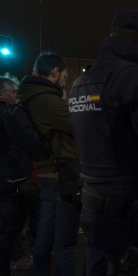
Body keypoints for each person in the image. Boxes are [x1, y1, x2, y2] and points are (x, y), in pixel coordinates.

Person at [69, 9, 138, 275]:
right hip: (128, 207)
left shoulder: (81, 83)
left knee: (96, 265)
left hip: (92, 202)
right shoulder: (134, 77)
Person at [18, 52, 80, 276]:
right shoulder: (46, 98)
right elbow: (76, 124)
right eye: (64, 75)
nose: (65, 79)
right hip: (58, 175)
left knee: (44, 239)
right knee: (65, 243)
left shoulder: (31, 94)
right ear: (55, 72)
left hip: (44, 174)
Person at [0, 77, 30, 276]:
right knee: (9, 229)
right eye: (11, 91)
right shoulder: (7, 114)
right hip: (9, 179)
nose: (14, 95)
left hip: (5, 178)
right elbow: (18, 144)